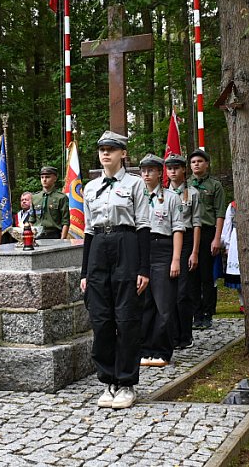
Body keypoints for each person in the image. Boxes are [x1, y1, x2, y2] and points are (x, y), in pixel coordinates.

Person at [80, 131, 150, 410]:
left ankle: (126, 382)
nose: (105, 154)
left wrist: (143, 268)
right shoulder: (90, 187)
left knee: (127, 317)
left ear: (123, 153)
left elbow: (144, 226)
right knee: (101, 318)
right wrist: (85, 272)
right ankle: (108, 379)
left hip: (126, 244)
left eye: (111, 149)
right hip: (99, 247)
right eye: (101, 149)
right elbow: (87, 230)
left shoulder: (135, 184)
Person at [139, 154, 183, 368]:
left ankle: (162, 351)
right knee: (145, 303)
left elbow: (177, 229)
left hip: (163, 249)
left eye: (151, 170)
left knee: (163, 303)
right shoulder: (135, 196)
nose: (146, 174)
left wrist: (175, 259)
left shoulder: (172, 197)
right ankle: (145, 348)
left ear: (160, 173)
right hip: (142, 249)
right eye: (143, 171)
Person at [165, 154, 201, 350]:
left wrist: (194, 252)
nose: (172, 171)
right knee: (168, 292)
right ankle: (172, 334)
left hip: (186, 240)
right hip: (167, 240)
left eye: (176, 168)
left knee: (182, 291)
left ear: (183, 170)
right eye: (169, 168)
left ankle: (185, 335)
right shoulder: (162, 193)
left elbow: (196, 223)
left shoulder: (193, 193)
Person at [187, 149, 225, 329]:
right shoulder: (186, 185)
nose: (196, 164)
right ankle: (196, 313)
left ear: (207, 164)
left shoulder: (215, 185)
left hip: (208, 233)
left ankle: (208, 313)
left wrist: (217, 238)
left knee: (207, 276)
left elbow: (220, 213)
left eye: (200, 161)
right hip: (189, 233)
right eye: (193, 162)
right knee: (192, 276)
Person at [32, 166, 70, 239]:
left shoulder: (61, 197)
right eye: (42, 177)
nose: (44, 180)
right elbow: (32, 219)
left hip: (54, 235)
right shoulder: (35, 197)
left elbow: (65, 221)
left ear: (55, 178)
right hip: (37, 235)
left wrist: (62, 239)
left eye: (47, 177)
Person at [221, 201, 244, 312]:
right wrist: (227, 244)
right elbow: (228, 224)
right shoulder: (233, 205)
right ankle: (242, 302)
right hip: (235, 239)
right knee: (237, 274)